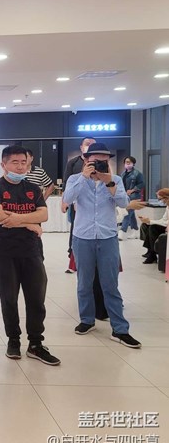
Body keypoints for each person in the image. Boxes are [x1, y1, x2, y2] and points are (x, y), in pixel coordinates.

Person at [0, 146, 60, 365]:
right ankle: (13, 340)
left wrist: (19, 220)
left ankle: (36, 344)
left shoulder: (33, 189)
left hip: (32, 251)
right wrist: (30, 222)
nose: (20, 167)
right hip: (4, 252)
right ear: (4, 165)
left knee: (36, 299)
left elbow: (43, 215)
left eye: (24, 163)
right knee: (9, 298)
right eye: (15, 162)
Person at [63, 142, 141, 348]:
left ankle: (120, 329)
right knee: (84, 283)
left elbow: (124, 203)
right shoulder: (75, 179)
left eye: (104, 161)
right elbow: (67, 199)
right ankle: (87, 320)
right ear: (86, 160)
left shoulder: (116, 180)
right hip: (83, 237)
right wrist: (84, 177)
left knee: (110, 284)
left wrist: (109, 182)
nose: (99, 164)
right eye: (95, 161)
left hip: (107, 237)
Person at [62, 137, 96, 272]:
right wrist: (65, 201)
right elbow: (66, 182)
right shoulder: (73, 163)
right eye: (87, 144)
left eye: (93, 144)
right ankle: (73, 261)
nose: (90, 146)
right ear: (81, 147)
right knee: (75, 230)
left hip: (95, 204)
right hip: (77, 202)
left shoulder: (101, 163)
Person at [139, 188, 169, 265]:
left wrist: (151, 222)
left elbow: (167, 223)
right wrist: (149, 221)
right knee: (145, 225)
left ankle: (152, 253)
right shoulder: (167, 207)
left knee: (153, 227)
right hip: (166, 226)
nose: (160, 201)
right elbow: (163, 220)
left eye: (160, 199)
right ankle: (150, 250)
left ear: (166, 197)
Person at [119, 156, 144, 240]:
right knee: (131, 215)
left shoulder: (137, 173)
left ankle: (122, 232)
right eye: (126, 162)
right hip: (126, 196)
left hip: (134, 197)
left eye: (129, 162)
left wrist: (132, 190)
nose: (127, 163)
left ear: (133, 163)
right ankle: (136, 231)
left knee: (127, 213)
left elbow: (141, 184)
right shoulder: (123, 174)